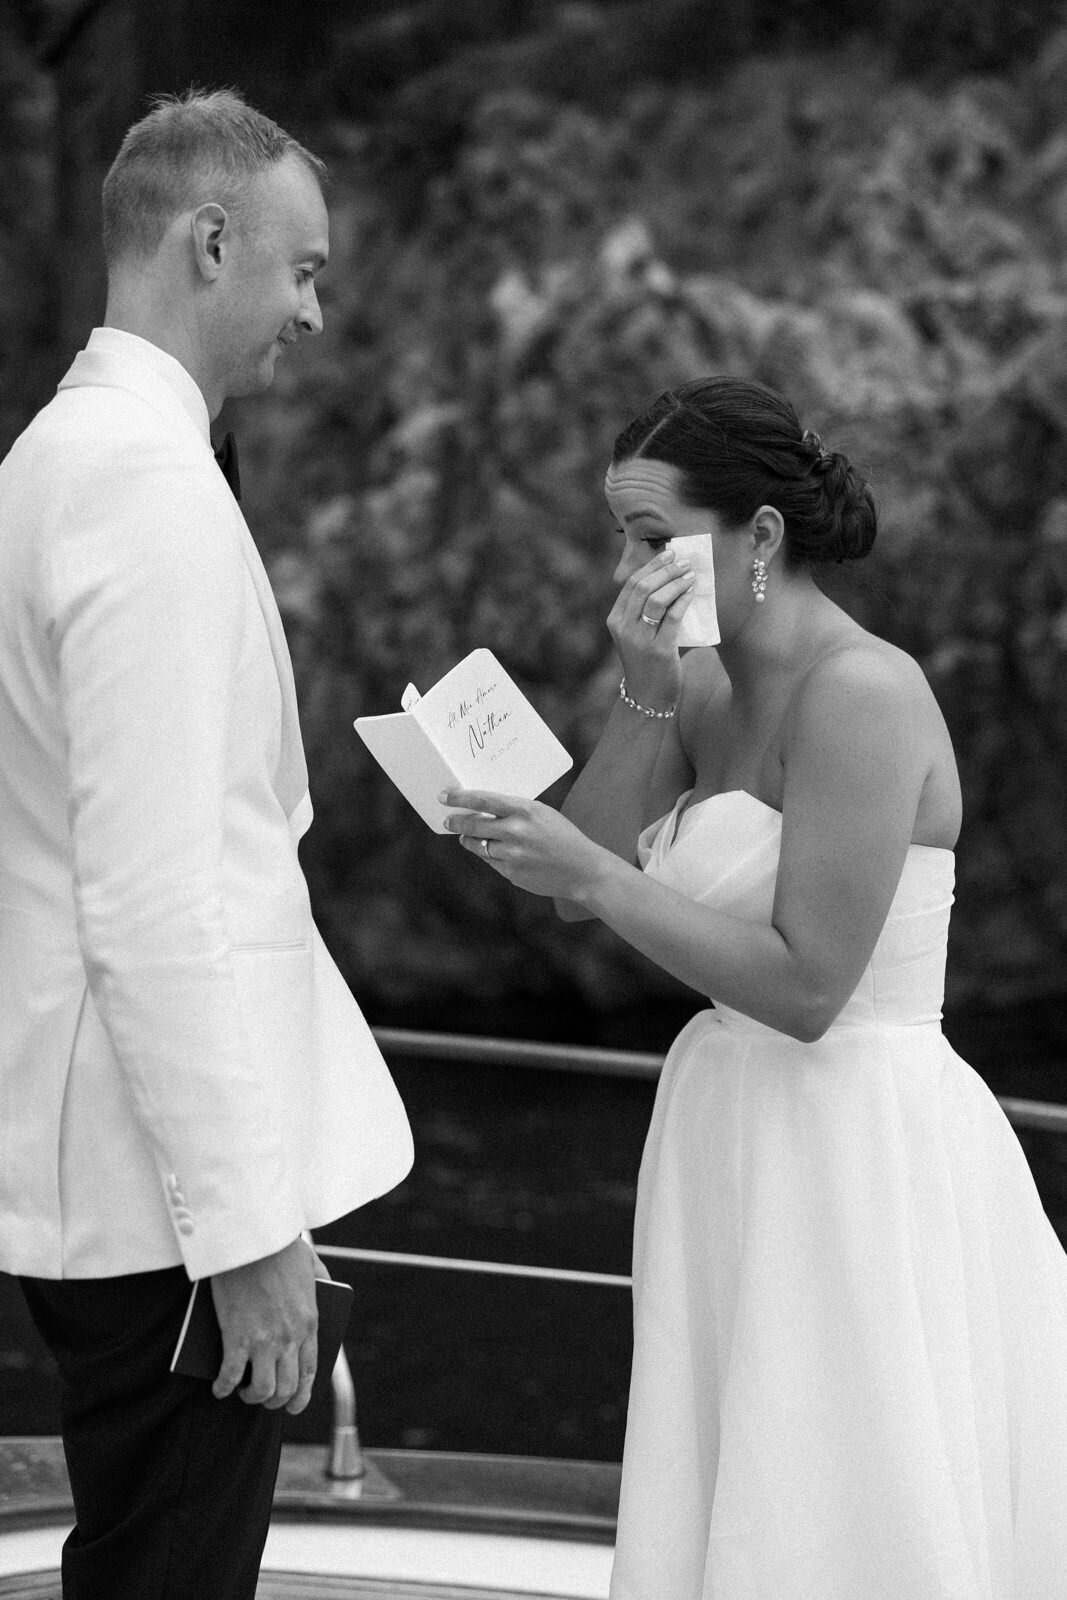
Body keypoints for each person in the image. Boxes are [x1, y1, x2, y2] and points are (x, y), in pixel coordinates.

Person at [442, 376, 1067, 1598]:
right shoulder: (708, 683)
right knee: (733, 1461)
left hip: (854, 1138)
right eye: (619, 537)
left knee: (844, 1477)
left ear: (761, 535)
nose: (625, 565)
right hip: (727, 1126)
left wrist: (594, 876)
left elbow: (809, 986)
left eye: (646, 535)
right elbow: (580, 876)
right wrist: (641, 683)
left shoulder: (863, 691)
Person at [0, 90, 413, 1600]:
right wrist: (244, 1236)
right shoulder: (142, 486)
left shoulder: (57, 455)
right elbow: (157, 896)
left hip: (113, 1174)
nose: (311, 312)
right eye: (302, 270)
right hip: (162, 1207)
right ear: (209, 238)